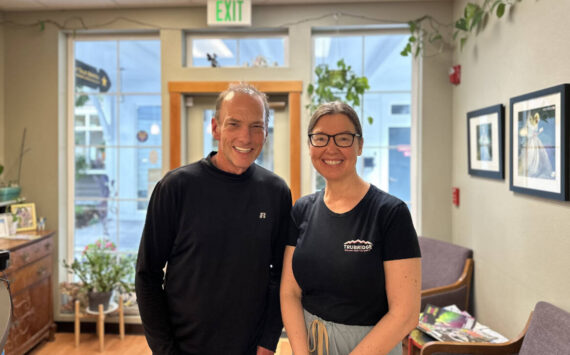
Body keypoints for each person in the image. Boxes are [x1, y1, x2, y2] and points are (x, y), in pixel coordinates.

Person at [136, 83, 292, 355]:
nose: (246, 137)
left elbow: (280, 275)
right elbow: (147, 275)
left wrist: (268, 341)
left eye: (257, 126)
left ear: (266, 132)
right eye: (234, 124)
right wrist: (165, 350)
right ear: (216, 128)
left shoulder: (276, 192)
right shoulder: (176, 188)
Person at [280, 101, 421, 355]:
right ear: (310, 145)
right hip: (310, 343)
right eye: (320, 138)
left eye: (343, 138)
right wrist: (301, 352)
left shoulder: (390, 214)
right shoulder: (301, 210)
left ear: (359, 145)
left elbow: (406, 314)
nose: (331, 148)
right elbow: (289, 292)